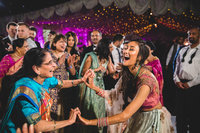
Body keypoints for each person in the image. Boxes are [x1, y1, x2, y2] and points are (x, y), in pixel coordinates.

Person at [78, 40, 165, 133]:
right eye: (125, 48)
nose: (125, 51)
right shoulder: (128, 74)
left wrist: (89, 122)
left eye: (131, 49)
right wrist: (93, 87)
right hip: (136, 116)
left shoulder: (146, 81)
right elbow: (114, 95)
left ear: (139, 57)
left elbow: (125, 115)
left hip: (149, 121)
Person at [0, 48, 92, 132]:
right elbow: (37, 125)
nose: (54, 65)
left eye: (53, 61)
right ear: (36, 68)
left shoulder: (44, 78)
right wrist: (69, 121)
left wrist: (81, 80)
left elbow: (62, 83)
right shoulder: (25, 89)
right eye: (49, 63)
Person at [78, 38, 115, 133]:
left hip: (100, 86)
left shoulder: (108, 58)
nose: (112, 49)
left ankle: (99, 130)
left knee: (100, 109)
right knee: (90, 109)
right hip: (90, 86)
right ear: (105, 48)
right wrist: (96, 69)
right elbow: (83, 73)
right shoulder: (91, 56)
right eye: (110, 47)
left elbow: (111, 71)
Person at [173, 26, 200, 133]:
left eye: (193, 34)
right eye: (189, 34)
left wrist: (191, 84)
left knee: (195, 117)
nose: (191, 36)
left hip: (195, 88)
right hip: (180, 87)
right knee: (180, 117)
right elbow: (176, 67)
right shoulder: (182, 50)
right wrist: (177, 80)